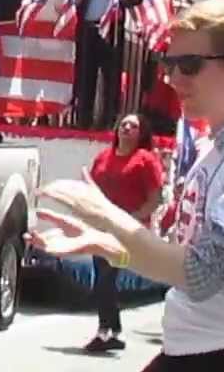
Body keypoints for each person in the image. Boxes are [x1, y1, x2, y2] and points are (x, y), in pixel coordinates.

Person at [30, 0, 224, 370]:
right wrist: (112, 247)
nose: (173, 80)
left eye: (189, 66)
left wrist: (107, 216)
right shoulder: (218, 148)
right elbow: (180, 260)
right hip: (198, 350)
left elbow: (202, 275)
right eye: (169, 65)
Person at [81, 114, 165, 353]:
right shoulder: (103, 158)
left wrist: (132, 219)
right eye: (124, 124)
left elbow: (155, 198)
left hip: (127, 230)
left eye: (134, 126)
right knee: (103, 279)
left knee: (106, 278)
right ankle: (112, 330)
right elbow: (92, 189)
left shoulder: (145, 160)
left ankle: (105, 332)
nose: (127, 128)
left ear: (141, 133)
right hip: (102, 226)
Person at [76, 0, 125, 128]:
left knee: (111, 77)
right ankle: (83, 121)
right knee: (86, 75)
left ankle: (107, 122)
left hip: (112, 27)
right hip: (89, 25)